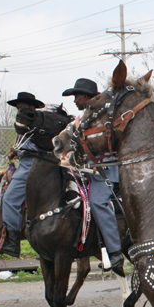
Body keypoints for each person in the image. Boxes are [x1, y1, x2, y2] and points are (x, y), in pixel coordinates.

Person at [62, 78, 124, 272]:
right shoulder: (82, 118)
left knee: (97, 202)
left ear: (87, 97)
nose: (74, 101)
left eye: (77, 96)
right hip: (86, 169)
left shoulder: (103, 116)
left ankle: (115, 252)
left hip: (105, 169)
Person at [0, 91, 45, 257]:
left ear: (31, 107)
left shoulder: (36, 124)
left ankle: (12, 242)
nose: (19, 111)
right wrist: (15, 152)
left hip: (30, 166)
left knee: (8, 199)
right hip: (25, 163)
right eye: (18, 108)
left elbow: (40, 147)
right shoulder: (22, 124)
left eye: (22, 107)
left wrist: (22, 150)